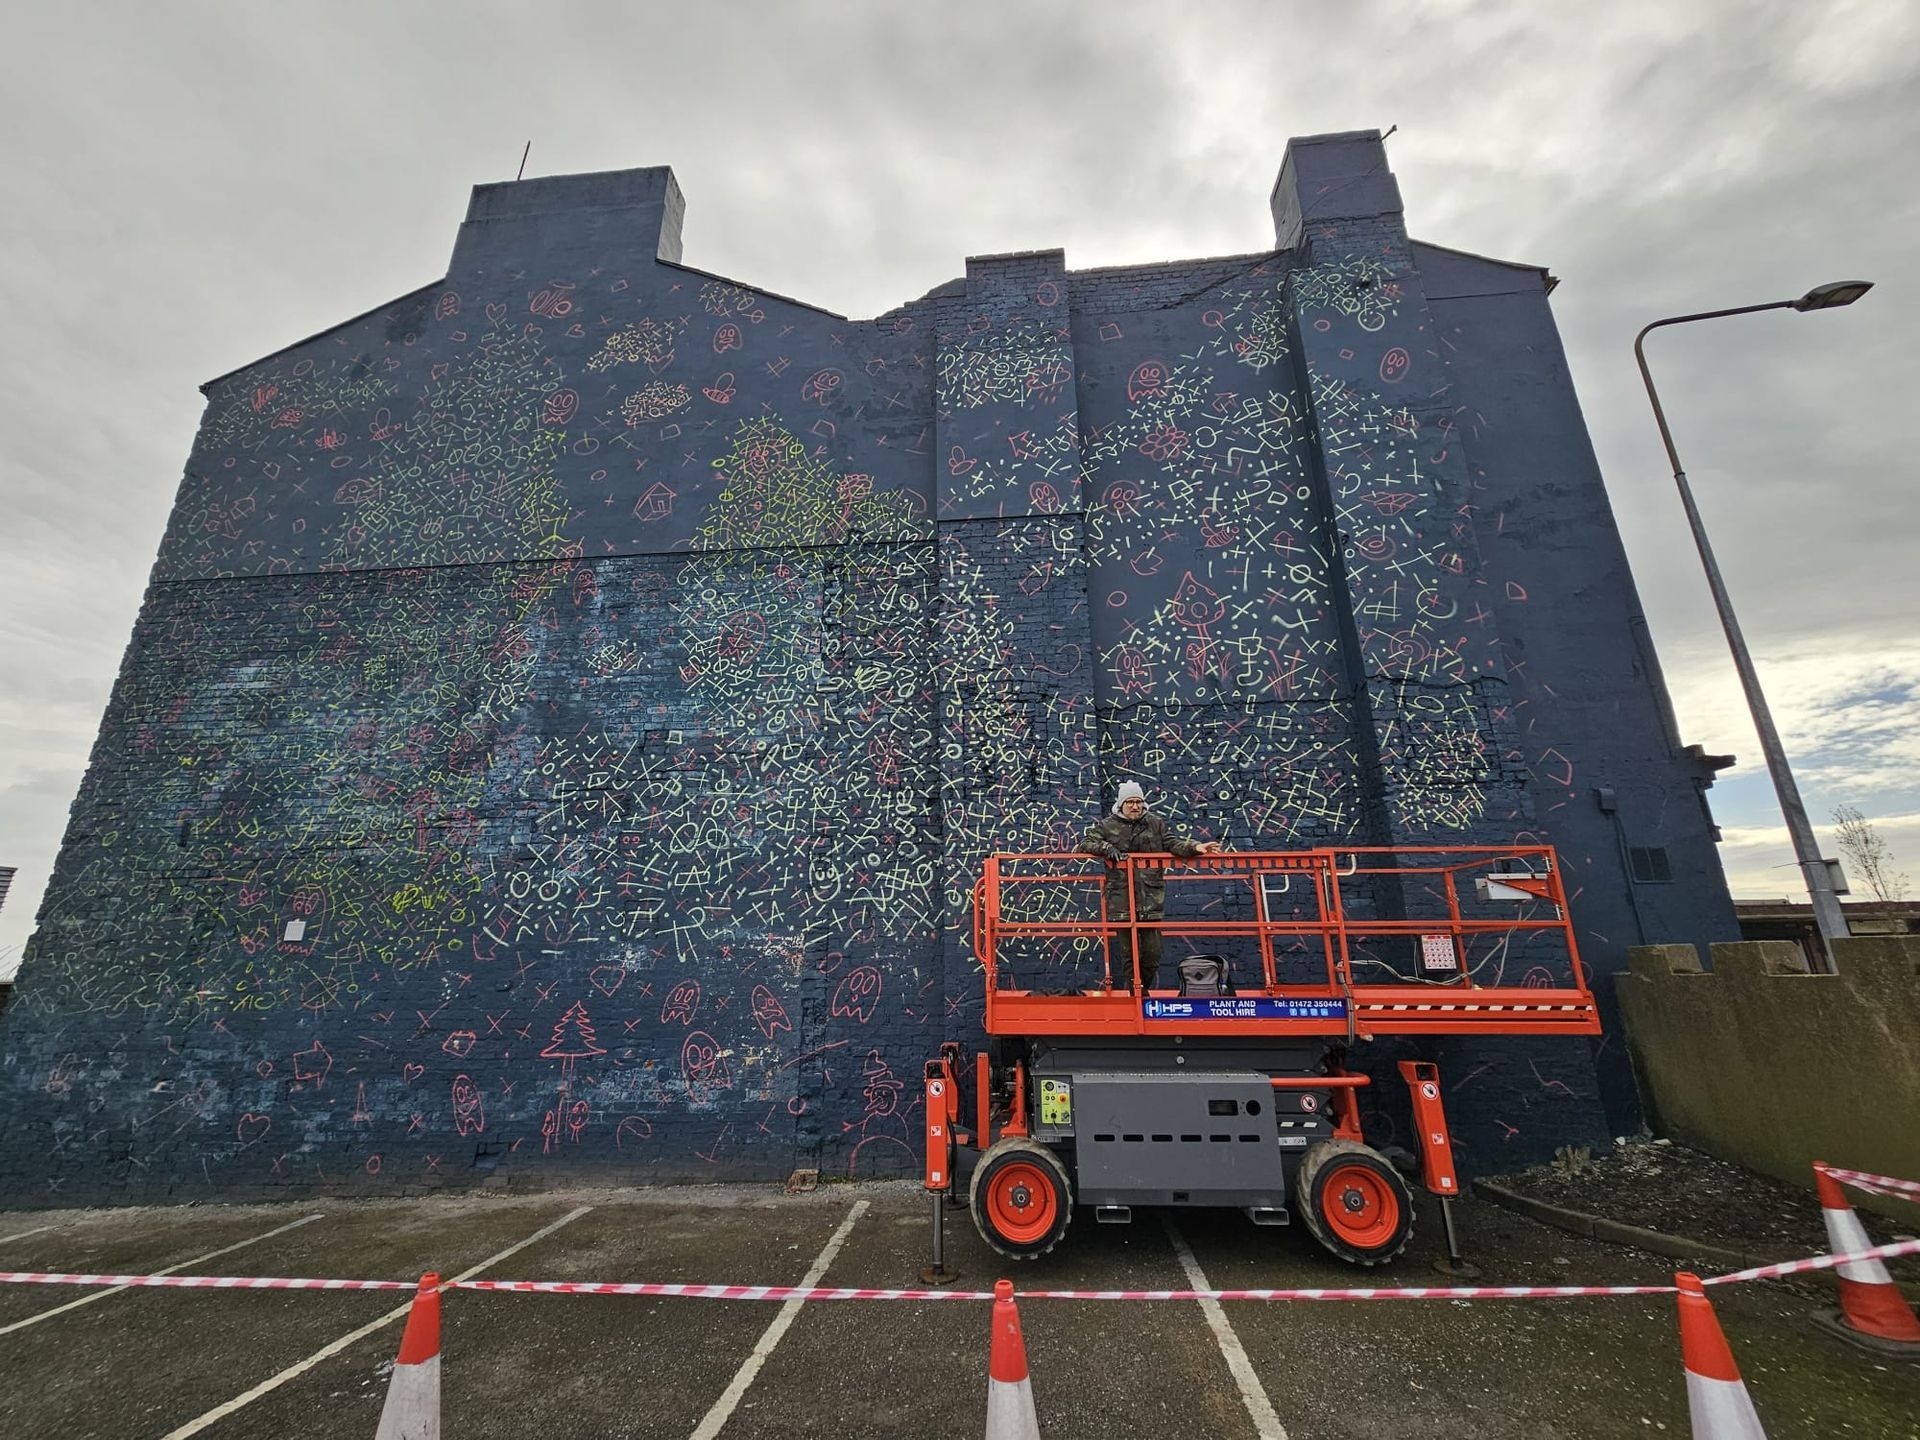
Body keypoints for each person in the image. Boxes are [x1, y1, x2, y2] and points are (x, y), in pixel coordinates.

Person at [1077, 781, 1223, 991]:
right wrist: (1105, 847)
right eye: (1130, 802)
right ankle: (1137, 993)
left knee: (1152, 953)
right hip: (1121, 898)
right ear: (1121, 804)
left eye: (1138, 801)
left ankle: (1140, 986)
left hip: (1150, 898)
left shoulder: (1155, 824)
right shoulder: (1107, 825)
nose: (1135, 806)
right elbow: (1085, 844)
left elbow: (1173, 844)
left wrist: (1195, 847)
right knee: (1129, 953)